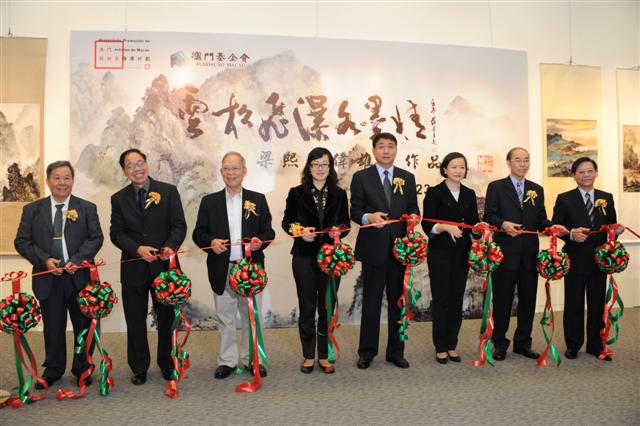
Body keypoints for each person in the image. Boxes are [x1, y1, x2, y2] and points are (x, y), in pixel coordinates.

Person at [15, 160, 103, 389]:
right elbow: (22, 241)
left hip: (79, 277)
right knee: (53, 326)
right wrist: (44, 260)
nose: (62, 182)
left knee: (83, 325)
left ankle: (83, 368)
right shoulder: (32, 210)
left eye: (67, 177)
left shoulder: (87, 208)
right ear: (48, 181)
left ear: (72, 180)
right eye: (57, 178)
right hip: (48, 277)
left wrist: (78, 260)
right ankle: (53, 369)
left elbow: (96, 238)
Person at [192, 151, 275, 379]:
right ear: (221, 172)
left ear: (244, 171)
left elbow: (268, 231)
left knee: (251, 317)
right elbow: (199, 233)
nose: (231, 173)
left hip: (250, 270)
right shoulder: (209, 202)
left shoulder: (257, 200)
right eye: (226, 168)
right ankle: (227, 361)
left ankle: (252, 360)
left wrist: (260, 242)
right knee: (225, 317)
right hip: (223, 267)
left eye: (235, 168)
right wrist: (211, 242)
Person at [110, 148, 186, 385]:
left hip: (164, 267)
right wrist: (137, 249)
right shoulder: (118, 198)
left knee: (166, 319)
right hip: (133, 268)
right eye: (130, 165)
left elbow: (179, 225)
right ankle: (139, 367)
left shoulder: (168, 191)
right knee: (135, 319)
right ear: (125, 171)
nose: (137, 169)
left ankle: (167, 363)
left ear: (147, 164)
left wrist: (169, 246)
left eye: (140, 163)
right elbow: (116, 233)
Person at [483, 147, 567, 361]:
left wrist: (551, 227)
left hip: (529, 255)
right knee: (502, 302)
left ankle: (523, 343)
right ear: (509, 162)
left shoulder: (536, 189)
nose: (522, 164)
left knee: (528, 302)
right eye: (518, 160)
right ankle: (499, 343)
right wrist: (503, 224)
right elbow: (488, 216)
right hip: (504, 254)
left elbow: (540, 220)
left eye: (526, 160)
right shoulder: (496, 187)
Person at [350, 132, 420, 369]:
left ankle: (396, 352)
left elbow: (413, 207)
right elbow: (355, 210)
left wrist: (414, 217)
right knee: (371, 302)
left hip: (400, 250)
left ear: (396, 150)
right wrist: (368, 217)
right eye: (381, 146)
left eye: (391, 146)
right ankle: (367, 352)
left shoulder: (407, 177)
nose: (386, 150)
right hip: (373, 249)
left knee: (398, 302)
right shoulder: (361, 177)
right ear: (374, 150)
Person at [282, 147, 351, 374]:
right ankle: (308, 355)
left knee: (327, 307)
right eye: (315, 164)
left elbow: (346, 224)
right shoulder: (296, 193)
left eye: (324, 164)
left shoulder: (339, 194)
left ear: (330, 168)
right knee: (307, 308)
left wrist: (338, 231)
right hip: (304, 257)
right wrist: (300, 232)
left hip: (332, 259)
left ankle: (324, 354)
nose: (320, 169)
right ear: (309, 167)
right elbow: (287, 223)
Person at [552, 157, 624, 361]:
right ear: (574, 175)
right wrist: (571, 234)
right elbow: (556, 228)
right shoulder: (565, 199)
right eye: (581, 172)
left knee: (597, 303)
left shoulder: (606, 198)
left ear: (596, 173)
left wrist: (616, 231)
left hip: (599, 260)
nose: (586, 175)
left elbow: (610, 227)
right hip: (575, 258)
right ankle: (573, 345)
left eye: (590, 171)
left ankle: (595, 345)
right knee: (573, 303)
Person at [421, 152, 486, 364]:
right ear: (445, 169)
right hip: (439, 252)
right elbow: (426, 224)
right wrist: (444, 227)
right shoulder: (434, 192)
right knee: (441, 299)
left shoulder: (469, 193)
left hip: (461, 253)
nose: (458, 171)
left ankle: (451, 344)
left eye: (462, 167)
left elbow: (473, 224)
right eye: (454, 167)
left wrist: (479, 229)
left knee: (457, 299)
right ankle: (440, 346)